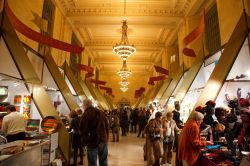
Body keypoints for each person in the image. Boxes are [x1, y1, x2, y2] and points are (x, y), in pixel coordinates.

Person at [80, 99, 109, 166]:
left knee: (92, 162)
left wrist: (85, 141)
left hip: (92, 141)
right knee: (103, 160)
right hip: (103, 139)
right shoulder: (101, 113)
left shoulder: (85, 114)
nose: (83, 107)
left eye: (83, 105)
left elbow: (83, 130)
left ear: (85, 105)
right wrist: (106, 138)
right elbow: (107, 125)